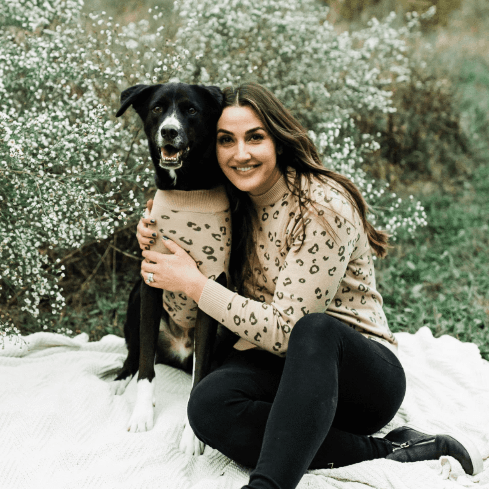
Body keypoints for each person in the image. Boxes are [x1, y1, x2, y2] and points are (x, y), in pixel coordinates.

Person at [135, 83, 482, 488]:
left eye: (255, 137)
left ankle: (267, 484)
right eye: (226, 140)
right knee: (207, 405)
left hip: (354, 374)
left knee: (311, 329)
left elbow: (286, 330)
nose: (240, 153)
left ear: (279, 141)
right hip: (277, 366)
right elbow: (187, 227)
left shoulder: (320, 207)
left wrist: (195, 287)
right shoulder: (236, 198)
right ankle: (397, 450)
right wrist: (154, 229)